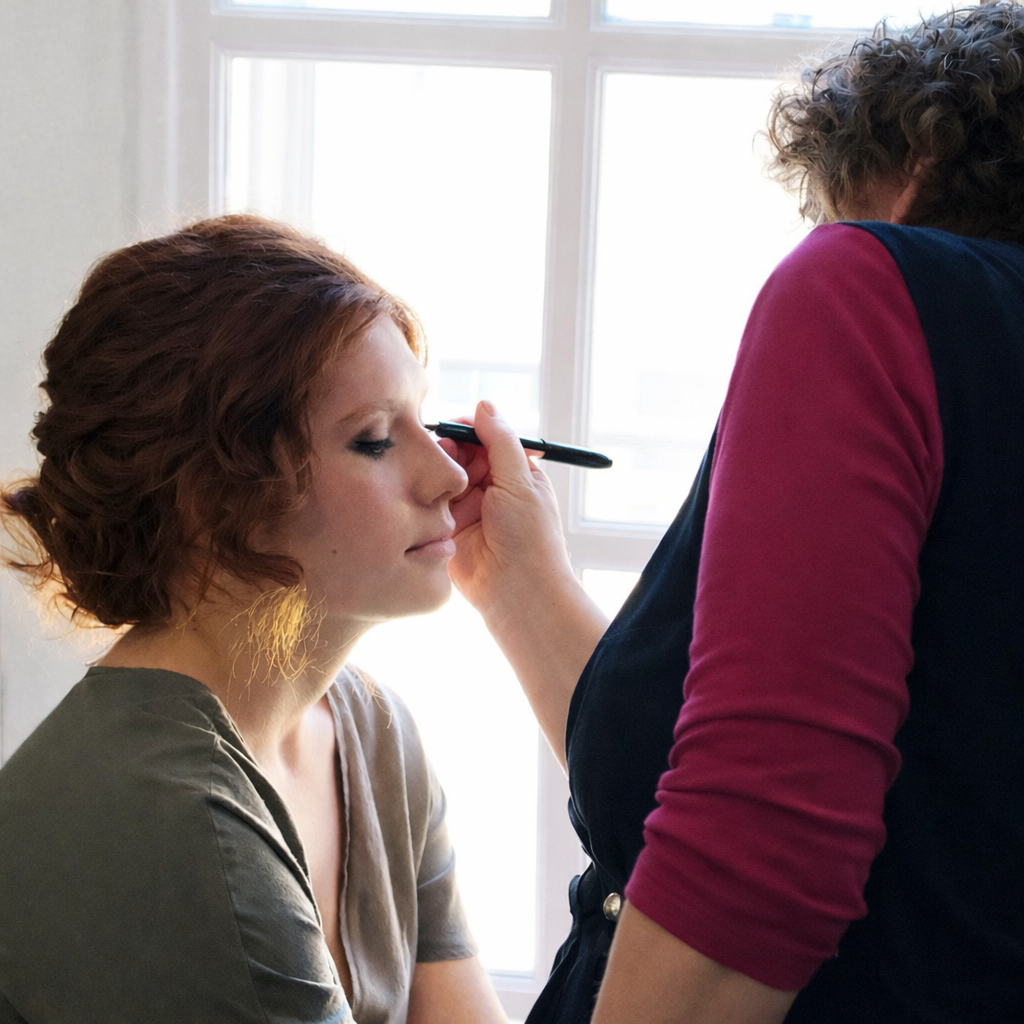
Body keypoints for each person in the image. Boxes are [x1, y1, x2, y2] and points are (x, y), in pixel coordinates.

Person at [445, 3, 1024, 1022]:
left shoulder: (872, 287)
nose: (828, 234)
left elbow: (762, 848)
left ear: (925, 153)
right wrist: (517, 581)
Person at [0, 214, 507, 1024]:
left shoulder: (374, 733)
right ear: (213, 497)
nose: (449, 472)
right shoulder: (164, 812)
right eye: (375, 440)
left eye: (426, 420)